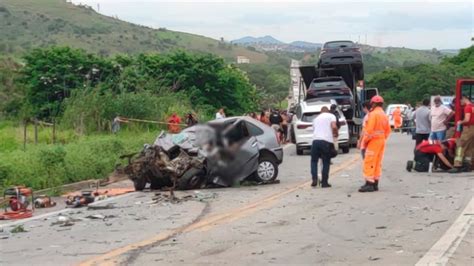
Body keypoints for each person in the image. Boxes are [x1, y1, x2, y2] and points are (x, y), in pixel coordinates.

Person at [359, 95, 391, 193]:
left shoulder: (373, 114)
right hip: (381, 140)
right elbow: (388, 130)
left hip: (373, 140)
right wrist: (382, 138)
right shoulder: (383, 114)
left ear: (373, 103)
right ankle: (375, 182)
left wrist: (365, 141)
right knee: (377, 162)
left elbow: (369, 130)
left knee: (369, 161)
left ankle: (369, 183)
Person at [310, 106, 338, 188]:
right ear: (328, 111)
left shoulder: (315, 119)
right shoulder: (331, 116)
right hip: (326, 141)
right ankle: (324, 182)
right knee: (326, 161)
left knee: (314, 161)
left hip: (315, 141)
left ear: (320, 112)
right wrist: (335, 133)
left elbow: (315, 130)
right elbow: (334, 126)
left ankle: (314, 179)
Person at [450, 95, 474, 173]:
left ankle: (457, 165)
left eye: (460, 101)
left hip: (468, 128)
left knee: (460, 145)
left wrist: (460, 122)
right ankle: (467, 165)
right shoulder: (473, 106)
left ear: (464, 99)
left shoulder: (467, 107)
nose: (460, 103)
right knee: (470, 148)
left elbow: (467, 119)